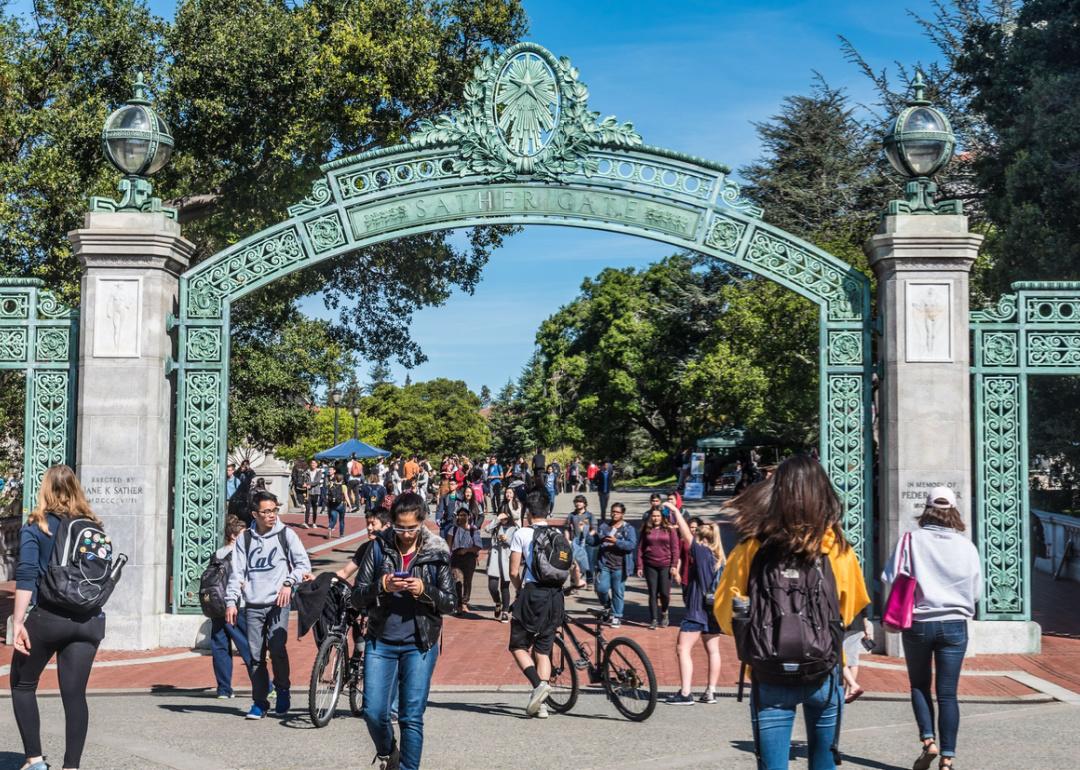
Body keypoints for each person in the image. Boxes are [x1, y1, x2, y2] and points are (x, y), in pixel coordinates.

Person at [714, 456, 870, 770]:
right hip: (823, 668)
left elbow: (725, 613)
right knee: (824, 762)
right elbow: (851, 605)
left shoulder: (752, 547)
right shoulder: (836, 548)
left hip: (769, 669)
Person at [10, 465, 108, 770]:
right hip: (87, 620)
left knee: (23, 685)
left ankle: (35, 760)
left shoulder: (37, 525)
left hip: (48, 617)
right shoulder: (92, 526)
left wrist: (17, 622)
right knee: (75, 695)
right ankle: (71, 766)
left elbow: (26, 575)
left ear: (45, 490)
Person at [352, 492, 455, 770]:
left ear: (422, 522)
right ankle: (389, 751)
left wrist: (425, 591)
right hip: (381, 640)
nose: (406, 534)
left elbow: (450, 602)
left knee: (411, 716)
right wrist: (382, 586)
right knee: (373, 712)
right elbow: (357, 596)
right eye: (400, 528)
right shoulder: (379, 548)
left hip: (420, 643)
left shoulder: (437, 551)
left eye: (412, 528)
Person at [883, 486, 982, 770]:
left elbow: (890, 575)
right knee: (948, 693)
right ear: (953, 511)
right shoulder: (967, 546)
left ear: (927, 509)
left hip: (919, 622)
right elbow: (976, 591)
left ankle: (929, 741)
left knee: (919, 685)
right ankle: (948, 758)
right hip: (954, 625)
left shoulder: (911, 540)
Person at [225, 490, 312, 720]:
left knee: (276, 648)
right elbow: (237, 572)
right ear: (255, 513)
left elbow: (303, 565)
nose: (272, 515)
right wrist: (231, 601)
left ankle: (283, 688)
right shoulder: (245, 538)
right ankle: (260, 702)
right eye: (266, 511)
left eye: (274, 510)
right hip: (253, 604)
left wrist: (288, 583)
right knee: (255, 656)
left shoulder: (286, 535)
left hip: (278, 603)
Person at [508, 487, 563, 718]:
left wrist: (519, 589)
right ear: (548, 510)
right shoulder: (558, 535)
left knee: (518, 645)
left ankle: (538, 686)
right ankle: (542, 706)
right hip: (556, 597)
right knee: (543, 650)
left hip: (532, 595)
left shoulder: (522, 534)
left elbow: (513, 571)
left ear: (529, 511)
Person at [667, 506, 724, 705]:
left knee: (682, 648)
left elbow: (686, 535)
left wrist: (675, 510)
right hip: (713, 610)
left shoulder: (702, 553)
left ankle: (685, 692)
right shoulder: (718, 558)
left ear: (702, 538)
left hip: (696, 610)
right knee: (713, 650)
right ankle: (711, 691)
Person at [210, 515, 253, 699]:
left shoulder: (217, 553)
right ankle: (266, 686)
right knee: (248, 647)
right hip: (236, 606)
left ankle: (223, 689)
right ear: (234, 536)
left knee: (220, 647)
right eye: (244, 535)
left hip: (216, 606)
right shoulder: (239, 555)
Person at [588, 502, 637, 628]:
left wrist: (617, 542)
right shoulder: (604, 527)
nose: (614, 514)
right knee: (601, 589)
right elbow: (594, 542)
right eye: (613, 511)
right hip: (604, 564)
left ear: (622, 514)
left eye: (617, 512)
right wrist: (590, 534)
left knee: (618, 592)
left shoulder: (628, 529)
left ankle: (616, 616)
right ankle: (607, 606)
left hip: (620, 566)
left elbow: (631, 545)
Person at [637, 504, 679, 629]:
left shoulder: (670, 529)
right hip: (650, 564)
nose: (655, 518)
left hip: (665, 565)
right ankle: (654, 619)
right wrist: (639, 566)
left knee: (665, 593)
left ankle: (664, 612)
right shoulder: (646, 529)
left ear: (662, 517)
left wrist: (674, 565)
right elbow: (640, 548)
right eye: (653, 516)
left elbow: (675, 548)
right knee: (653, 593)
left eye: (658, 516)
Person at [447, 506, 483, 614]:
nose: (462, 517)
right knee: (456, 580)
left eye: (465, 515)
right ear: (457, 516)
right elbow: (448, 546)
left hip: (469, 557)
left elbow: (478, 546)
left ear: (469, 516)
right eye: (460, 515)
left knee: (467, 580)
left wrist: (467, 550)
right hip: (456, 556)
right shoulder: (452, 529)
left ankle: (464, 603)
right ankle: (458, 603)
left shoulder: (473, 530)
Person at [486, 509, 519, 623]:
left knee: (505, 586)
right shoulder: (496, 526)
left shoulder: (515, 529)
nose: (503, 519)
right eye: (502, 517)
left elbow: (516, 543)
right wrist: (497, 519)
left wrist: (507, 539)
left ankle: (505, 612)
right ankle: (497, 602)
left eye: (505, 517)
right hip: (495, 558)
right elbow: (486, 529)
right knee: (492, 586)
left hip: (506, 558)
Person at [564, 494, 595, 590]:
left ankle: (590, 581)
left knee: (588, 562)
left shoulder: (589, 515)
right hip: (575, 543)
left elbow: (594, 529)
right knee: (573, 563)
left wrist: (588, 536)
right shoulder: (571, 515)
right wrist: (567, 540)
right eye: (576, 502)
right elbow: (566, 529)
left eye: (580, 501)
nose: (578, 503)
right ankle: (574, 583)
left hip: (586, 543)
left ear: (585, 503)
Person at [326, 470, 351, 539]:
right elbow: (346, 496)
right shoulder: (344, 486)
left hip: (332, 505)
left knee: (333, 519)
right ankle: (341, 534)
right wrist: (350, 505)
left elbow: (327, 495)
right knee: (341, 520)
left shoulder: (331, 485)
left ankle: (330, 527)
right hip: (341, 504)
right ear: (342, 479)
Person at [303, 459, 323, 529]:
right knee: (307, 508)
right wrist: (304, 484)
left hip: (316, 492)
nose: (313, 464)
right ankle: (306, 522)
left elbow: (317, 481)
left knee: (315, 509)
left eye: (314, 463)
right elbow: (304, 480)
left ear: (317, 464)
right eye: (312, 463)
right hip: (308, 492)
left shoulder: (319, 471)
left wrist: (309, 484)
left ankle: (314, 523)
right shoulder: (307, 472)